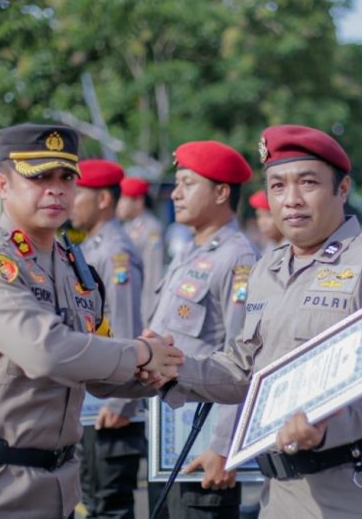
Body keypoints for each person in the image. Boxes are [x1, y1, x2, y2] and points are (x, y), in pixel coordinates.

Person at [156, 124, 362, 518]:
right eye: (278, 186)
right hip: (281, 491)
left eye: (308, 183)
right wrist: (172, 367)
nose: (291, 200)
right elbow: (243, 370)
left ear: (342, 188)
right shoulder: (267, 269)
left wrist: (327, 428)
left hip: (358, 489)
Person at [0, 123, 179, 519]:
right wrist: (141, 353)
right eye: (39, 178)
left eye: (66, 178)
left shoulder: (74, 267)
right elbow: (46, 351)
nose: (55, 189)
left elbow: (97, 370)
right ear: (3, 186)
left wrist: (169, 367)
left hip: (54, 492)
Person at [147, 140, 259, 519]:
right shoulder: (190, 250)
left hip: (203, 441)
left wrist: (225, 446)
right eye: (177, 183)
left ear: (221, 193)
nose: (175, 194)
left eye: (188, 183)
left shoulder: (237, 258)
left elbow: (243, 359)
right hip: (169, 435)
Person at [70, 159, 146, 519]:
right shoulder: (92, 247)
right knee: (92, 500)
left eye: (77, 193)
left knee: (109, 505)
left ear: (102, 199)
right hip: (93, 401)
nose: (69, 201)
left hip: (110, 406)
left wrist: (119, 403)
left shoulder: (116, 253)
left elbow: (126, 330)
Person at [117, 176, 166, 326]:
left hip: (140, 311)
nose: (118, 204)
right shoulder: (127, 227)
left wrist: (146, 319)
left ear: (138, 201)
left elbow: (153, 276)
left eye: (123, 199)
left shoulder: (151, 230)